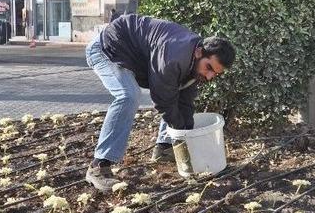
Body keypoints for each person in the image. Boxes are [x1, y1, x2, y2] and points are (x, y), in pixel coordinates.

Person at [85, 13, 236, 191]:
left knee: (177, 96)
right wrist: (184, 137)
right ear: (199, 52)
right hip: (106, 50)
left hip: (132, 56)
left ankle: (164, 149)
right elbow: (162, 99)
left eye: (215, 74)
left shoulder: (194, 63)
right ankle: (98, 165)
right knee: (128, 96)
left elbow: (185, 103)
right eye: (209, 68)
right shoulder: (174, 56)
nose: (209, 76)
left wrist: (187, 139)